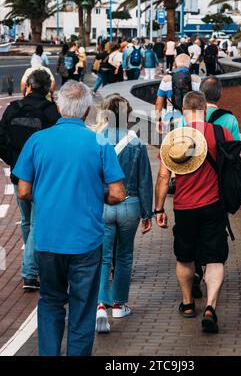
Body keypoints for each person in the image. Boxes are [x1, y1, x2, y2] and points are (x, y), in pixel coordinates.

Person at [12, 81, 126, 356]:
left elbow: (24, 189)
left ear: (59, 106)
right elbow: (118, 193)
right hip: (86, 240)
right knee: (82, 307)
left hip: (48, 239)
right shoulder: (99, 142)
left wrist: (49, 195)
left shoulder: (37, 141)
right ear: (87, 110)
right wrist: (95, 194)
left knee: (50, 301)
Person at [155, 91, 235, 334]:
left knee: (185, 257)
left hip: (184, 206)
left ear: (182, 109)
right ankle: (210, 306)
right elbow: (235, 165)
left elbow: (162, 177)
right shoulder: (221, 132)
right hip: (214, 204)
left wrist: (158, 208)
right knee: (215, 258)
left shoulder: (174, 138)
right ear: (204, 109)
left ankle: (188, 303)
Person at [94, 94, 153, 333]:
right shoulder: (136, 142)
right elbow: (144, 180)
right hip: (129, 204)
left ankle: (100, 305)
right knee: (125, 255)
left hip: (103, 204)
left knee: (103, 257)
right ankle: (119, 304)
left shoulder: (94, 139)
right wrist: (148, 212)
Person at [0, 70, 60, 292]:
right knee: (36, 223)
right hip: (42, 176)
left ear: (29, 85)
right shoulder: (51, 112)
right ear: (47, 88)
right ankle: (30, 271)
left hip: (19, 174)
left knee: (26, 221)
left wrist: (15, 162)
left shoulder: (13, 109)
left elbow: (1, 140)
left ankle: (30, 262)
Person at [155, 53, 202, 134]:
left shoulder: (166, 79)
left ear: (176, 64)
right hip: (191, 118)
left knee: (172, 144)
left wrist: (157, 120)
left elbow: (158, 103)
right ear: (189, 64)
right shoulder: (197, 79)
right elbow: (202, 102)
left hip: (171, 117)